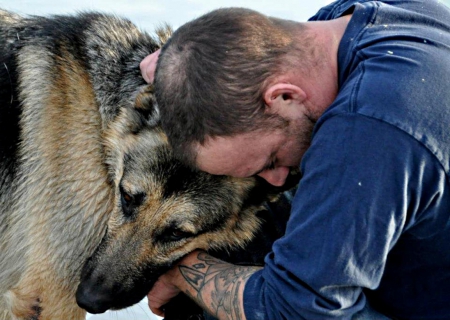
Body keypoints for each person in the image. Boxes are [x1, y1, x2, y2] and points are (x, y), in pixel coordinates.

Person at [141, 0, 450, 319]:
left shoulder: (368, 130)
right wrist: (184, 65)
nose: (274, 180)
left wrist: (181, 271)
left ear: (284, 96)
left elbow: (295, 309)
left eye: (270, 161)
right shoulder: (362, 21)